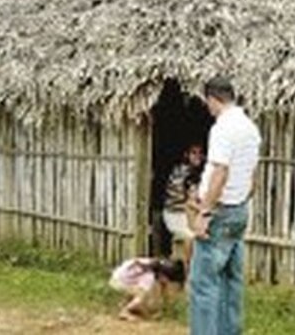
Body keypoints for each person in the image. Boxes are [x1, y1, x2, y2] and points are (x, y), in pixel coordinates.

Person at [189, 77, 261, 335]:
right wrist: (240, 199)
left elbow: (221, 171)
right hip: (239, 209)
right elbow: (253, 176)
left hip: (220, 212)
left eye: (207, 102)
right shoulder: (250, 128)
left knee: (203, 284)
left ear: (212, 99)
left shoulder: (222, 128)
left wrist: (204, 212)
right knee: (231, 281)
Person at [162, 143, 205, 265]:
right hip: (175, 215)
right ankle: (188, 269)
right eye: (194, 153)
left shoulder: (191, 172)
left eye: (200, 153)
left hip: (186, 214)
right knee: (191, 237)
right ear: (186, 155)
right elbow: (190, 202)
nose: (198, 156)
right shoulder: (183, 174)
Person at [109, 257, 186, 321]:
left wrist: (167, 309)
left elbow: (164, 290)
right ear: (163, 276)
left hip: (120, 277)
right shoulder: (149, 276)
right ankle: (125, 311)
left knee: (138, 291)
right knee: (142, 295)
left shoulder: (156, 264)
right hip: (118, 281)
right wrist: (148, 316)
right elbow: (141, 299)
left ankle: (124, 305)